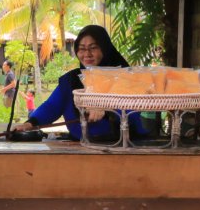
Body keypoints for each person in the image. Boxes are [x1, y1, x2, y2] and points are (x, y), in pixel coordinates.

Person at [12, 25, 144, 141]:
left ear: (105, 49)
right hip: (82, 147)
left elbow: (135, 112)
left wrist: (108, 109)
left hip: (125, 148)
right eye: (81, 49)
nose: (87, 54)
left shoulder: (124, 77)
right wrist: (30, 123)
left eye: (93, 48)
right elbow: (52, 106)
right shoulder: (71, 80)